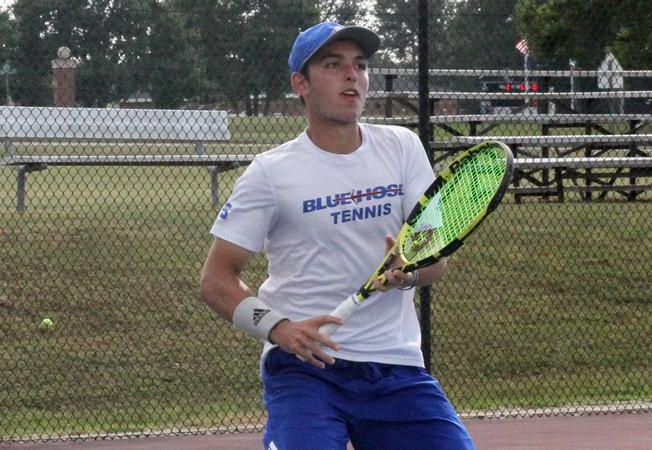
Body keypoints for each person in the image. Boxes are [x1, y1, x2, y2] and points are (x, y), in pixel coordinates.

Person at [199, 21, 475, 450]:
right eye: (333, 64)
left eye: (360, 65)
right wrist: (278, 329)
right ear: (300, 84)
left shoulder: (403, 147)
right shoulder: (270, 173)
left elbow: (435, 261)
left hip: (395, 369)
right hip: (303, 370)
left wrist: (409, 272)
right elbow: (216, 281)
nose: (352, 75)